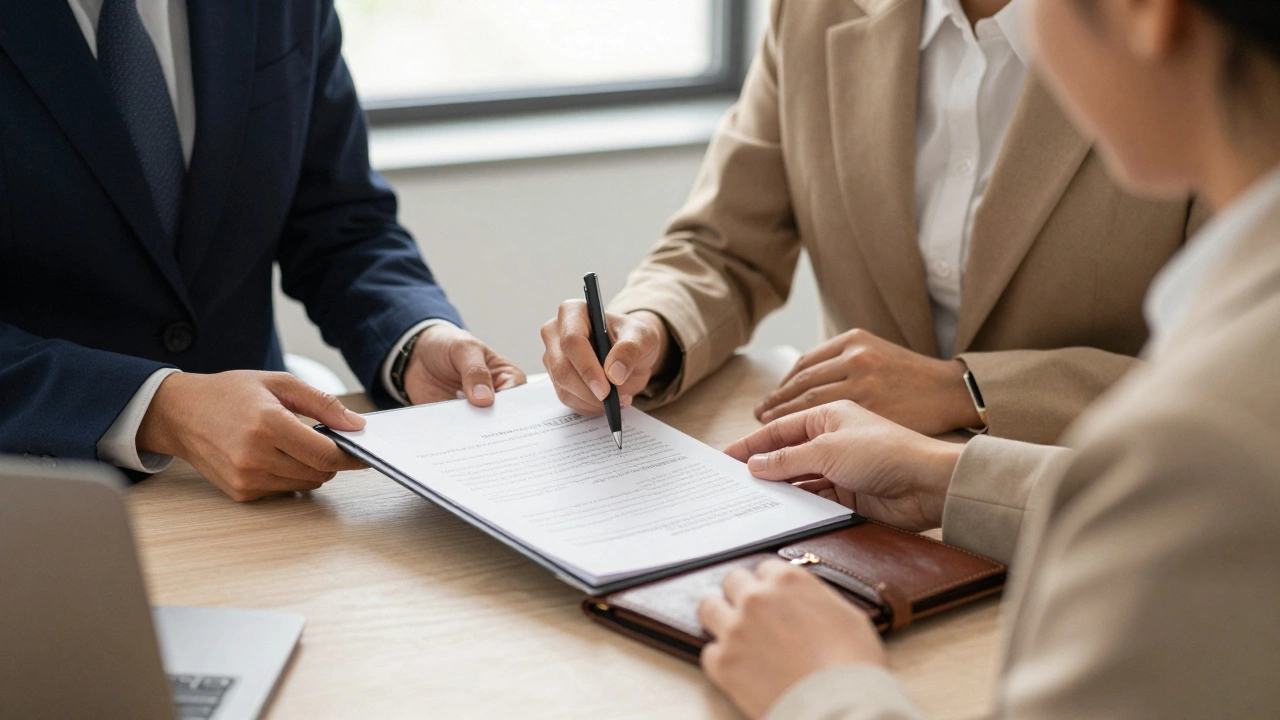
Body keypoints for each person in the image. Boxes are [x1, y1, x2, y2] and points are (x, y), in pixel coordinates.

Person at [695, 0, 1280, 718]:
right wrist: (949, 479)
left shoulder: (1198, 437)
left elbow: (1187, 488)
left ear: (1144, 15)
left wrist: (824, 687)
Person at [540, 0, 1205, 445]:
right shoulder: (813, 11)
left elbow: (1242, 364)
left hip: (1089, 496)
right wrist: (651, 329)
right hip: (854, 498)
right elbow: (722, 247)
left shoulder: (1203, 45)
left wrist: (969, 391)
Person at [0, 1, 525, 501]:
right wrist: (160, 406)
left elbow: (339, 217)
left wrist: (411, 338)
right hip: (39, 502)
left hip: (275, 500)